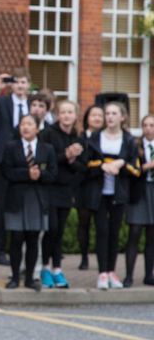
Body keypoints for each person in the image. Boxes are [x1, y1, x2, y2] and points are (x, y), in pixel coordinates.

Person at [84, 102, 140, 290]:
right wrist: (102, 165)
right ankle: (102, 273)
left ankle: (111, 272)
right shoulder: (95, 137)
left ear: (122, 117)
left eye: (114, 113)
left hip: (119, 193)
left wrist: (121, 164)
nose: (110, 117)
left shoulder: (129, 140)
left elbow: (135, 169)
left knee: (114, 233)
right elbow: (86, 162)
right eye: (107, 113)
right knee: (102, 231)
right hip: (99, 193)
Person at [2, 114, 57, 292]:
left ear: (37, 128)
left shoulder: (47, 148)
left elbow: (53, 174)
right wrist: (27, 174)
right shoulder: (11, 146)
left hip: (37, 198)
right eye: (22, 124)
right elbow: (6, 171)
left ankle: (30, 279)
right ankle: (15, 277)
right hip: (17, 198)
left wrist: (39, 175)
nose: (25, 127)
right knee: (16, 239)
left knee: (33, 239)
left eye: (29, 124)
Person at [0, 69, 32, 266]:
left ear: (28, 85)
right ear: (12, 85)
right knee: (0, 207)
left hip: (25, 162)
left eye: (24, 82)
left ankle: (21, 252)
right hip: (3, 160)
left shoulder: (33, 106)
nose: (20, 86)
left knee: (21, 206)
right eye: (17, 82)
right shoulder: (3, 102)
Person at [39, 100, 86, 288]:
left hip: (67, 189)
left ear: (75, 115)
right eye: (63, 112)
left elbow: (83, 167)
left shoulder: (78, 137)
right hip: (50, 188)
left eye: (70, 112)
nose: (66, 115)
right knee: (51, 228)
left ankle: (57, 269)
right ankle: (44, 268)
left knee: (59, 231)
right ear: (57, 114)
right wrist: (66, 156)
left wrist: (72, 160)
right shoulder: (48, 134)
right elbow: (45, 160)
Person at [124, 114, 154, 287]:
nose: (148, 128)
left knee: (152, 235)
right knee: (134, 232)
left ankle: (149, 274)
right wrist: (147, 166)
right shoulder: (136, 146)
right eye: (145, 125)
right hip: (140, 192)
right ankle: (128, 275)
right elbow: (130, 169)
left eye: (151, 125)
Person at [76, 105, 105, 270]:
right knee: (84, 222)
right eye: (93, 115)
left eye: (100, 115)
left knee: (101, 224)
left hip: (101, 184)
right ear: (87, 118)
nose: (96, 118)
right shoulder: (80, 138)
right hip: (84, 184)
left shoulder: (107, 138)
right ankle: (84, 256)